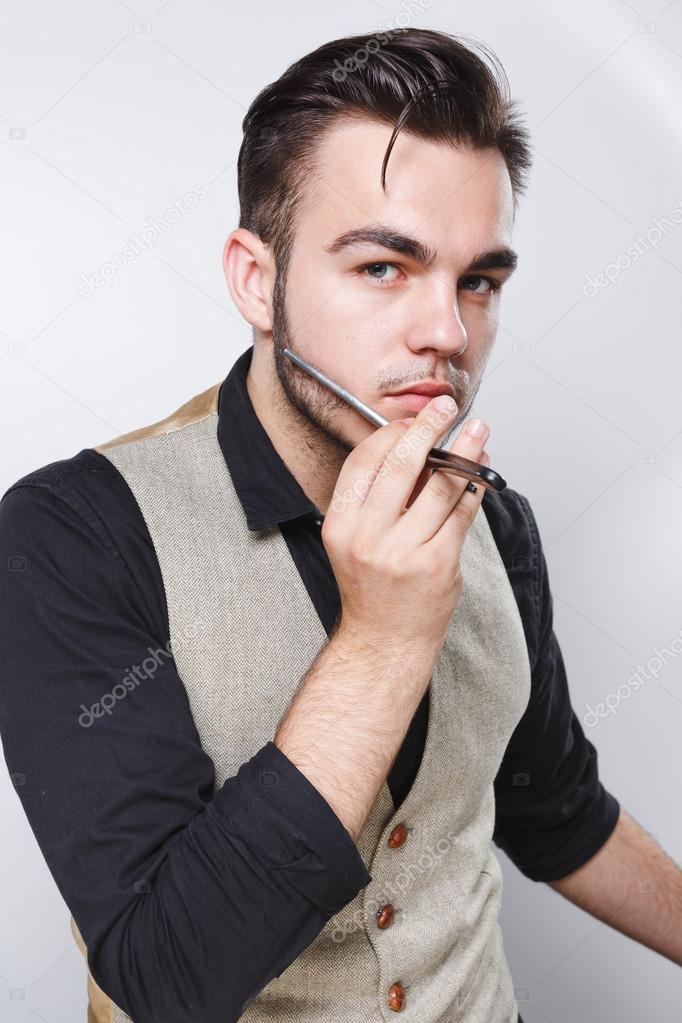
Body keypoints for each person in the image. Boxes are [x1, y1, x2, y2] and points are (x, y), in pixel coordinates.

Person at [1, 26, 680, 1023]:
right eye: (381, 267)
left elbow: (555, 815)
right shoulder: (72, 535)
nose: (447, 333)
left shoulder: (498, 523)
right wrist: (383, 639)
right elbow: (165, 980)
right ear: (254, 280)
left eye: (478, 281)